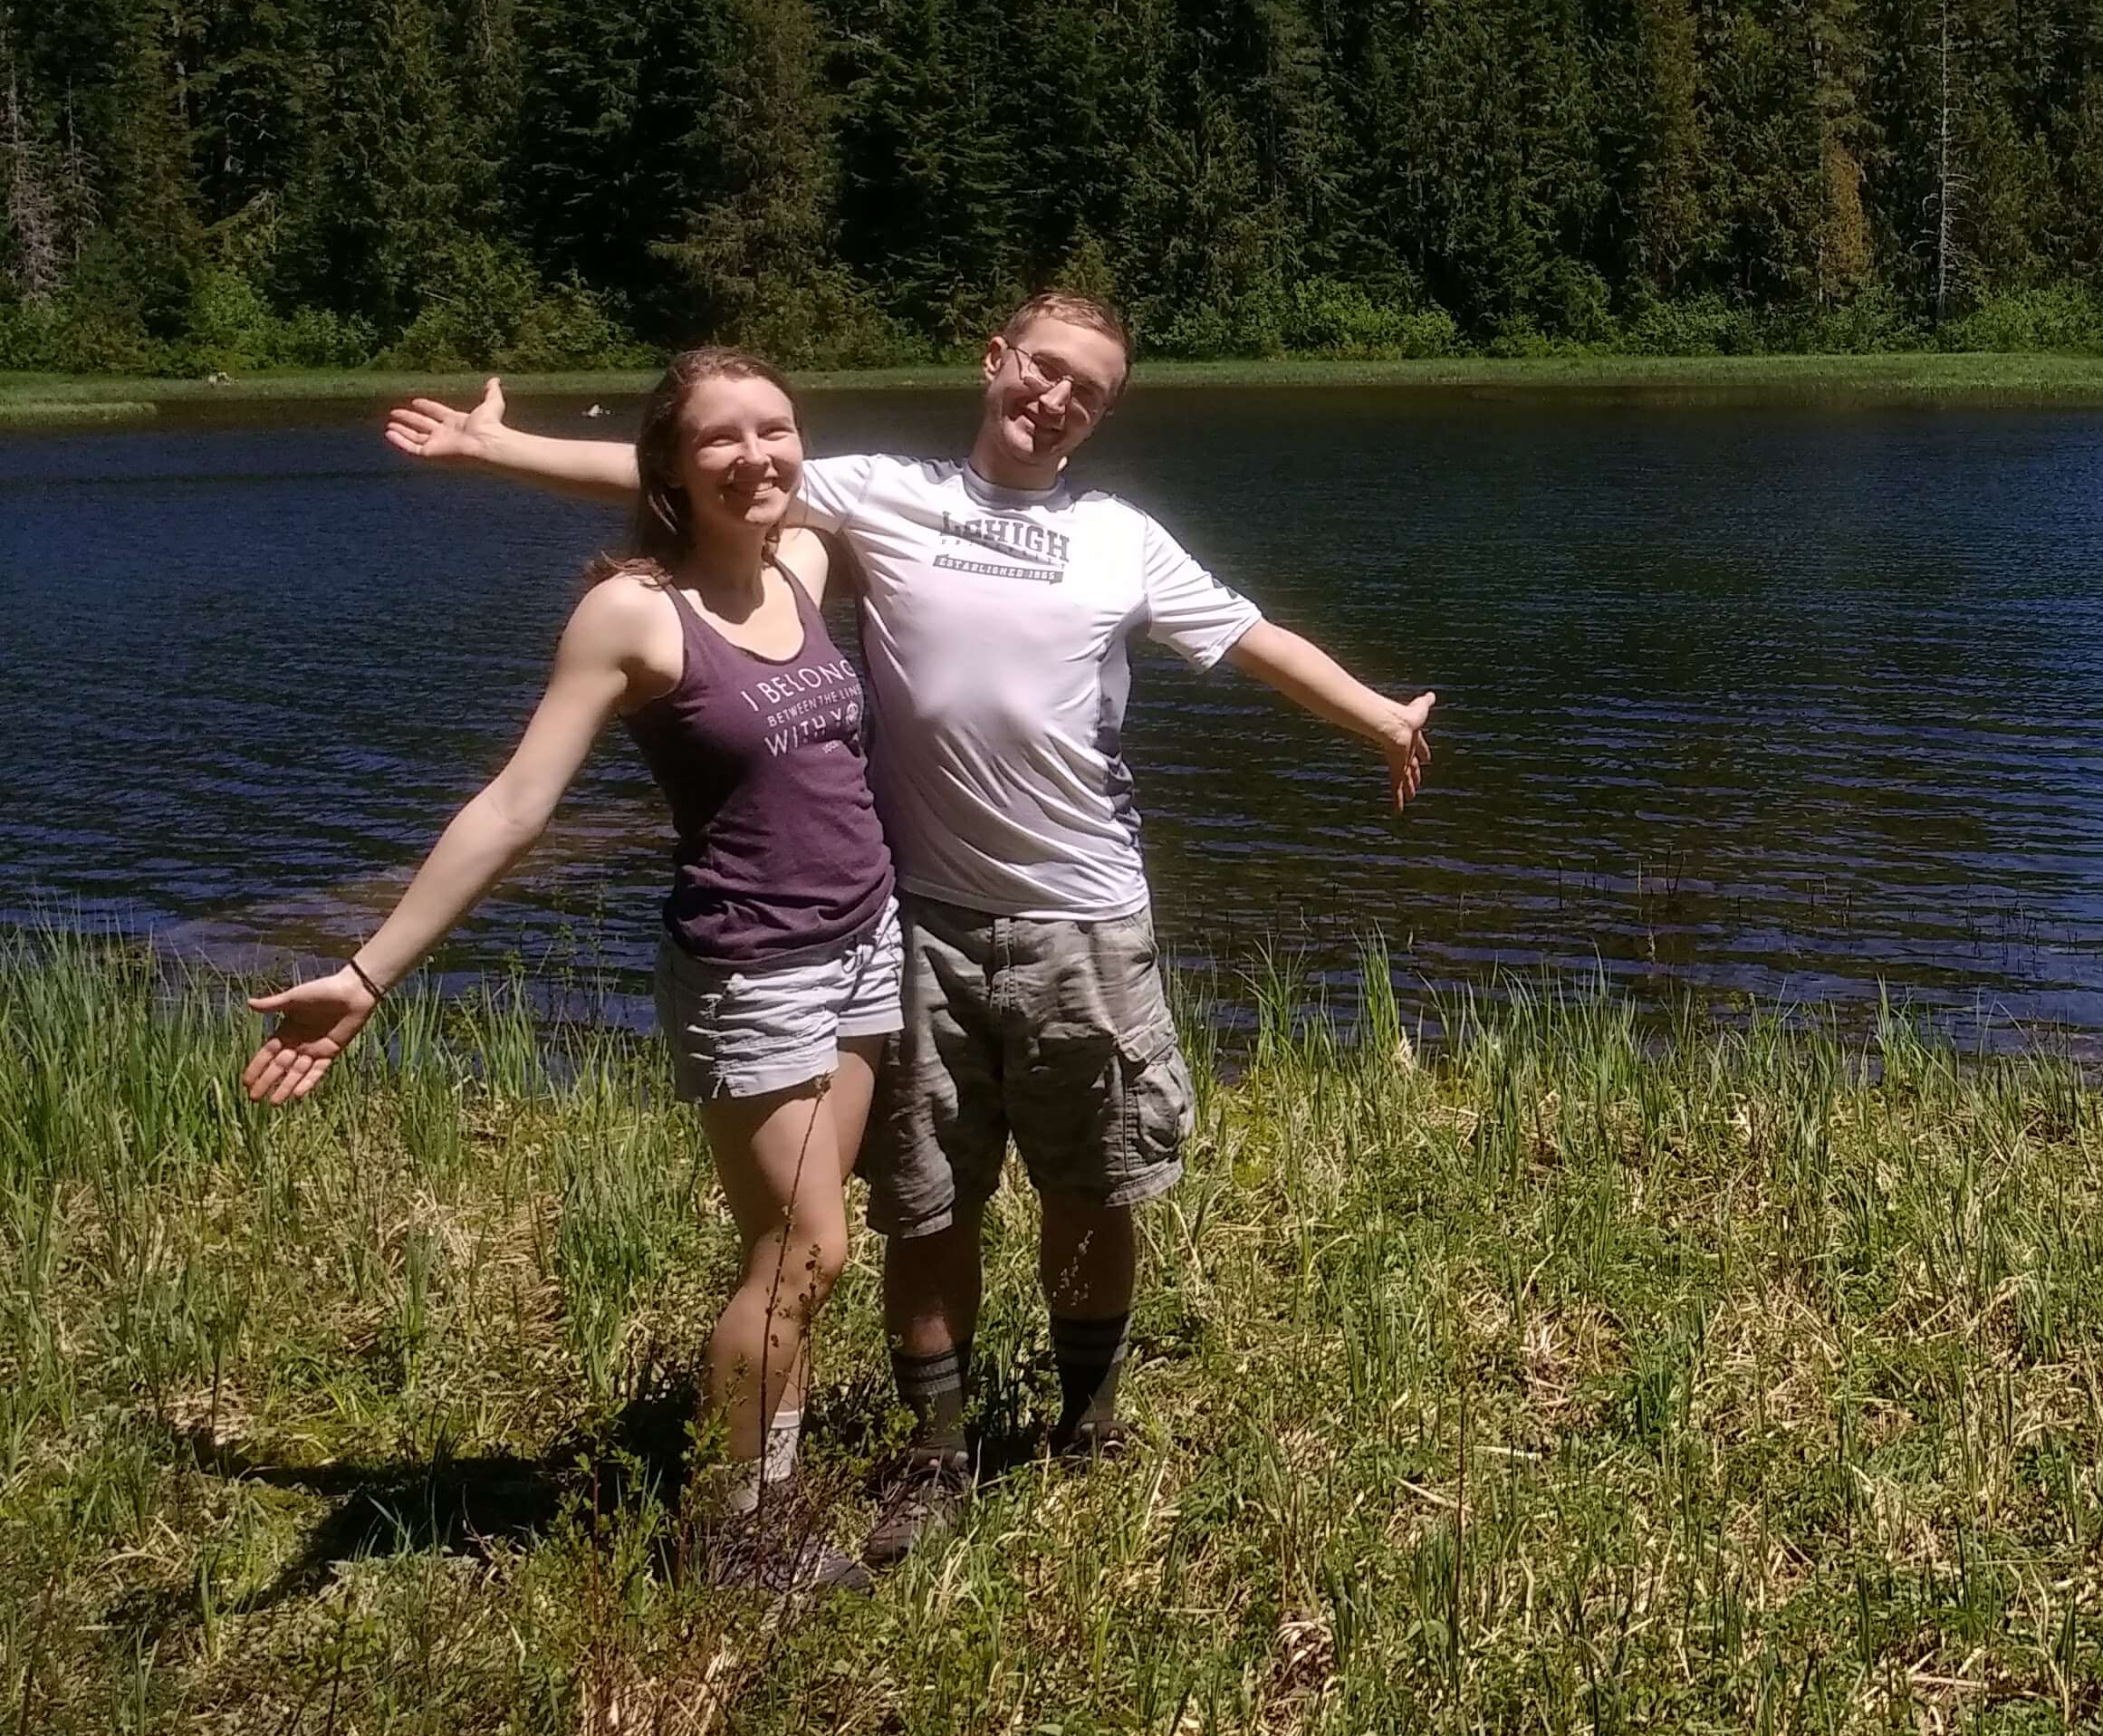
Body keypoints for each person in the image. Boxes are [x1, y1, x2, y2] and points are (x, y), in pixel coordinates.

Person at [385, 290, 1433, 1568]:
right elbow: (696, 474)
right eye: (1041, 369)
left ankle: (1086, 1421)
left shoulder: (1121, 539)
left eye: (1086, 390)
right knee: (928, 1201)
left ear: (1100, 415)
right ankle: (933, 1453)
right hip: (917, 922)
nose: (1055, 397)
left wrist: (1377, 713)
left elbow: (1253, 637)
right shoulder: (880, 495)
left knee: (1093, 1187)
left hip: (1086, 919)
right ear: (996, 364)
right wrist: (499, 449)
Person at [249, 348, 897, 1594]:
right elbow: (513, 807)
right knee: (806, 1253)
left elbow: (664, 467)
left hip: (866, 947)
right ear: (674, 467)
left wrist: (499, 447)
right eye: (722, 438)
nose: (757, 454)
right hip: (752, 969)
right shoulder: (633, 613)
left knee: (802, 1251)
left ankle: (768, 1499)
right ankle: (731, 1531)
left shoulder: (803, 562)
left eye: (777, 428)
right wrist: (369, 975)